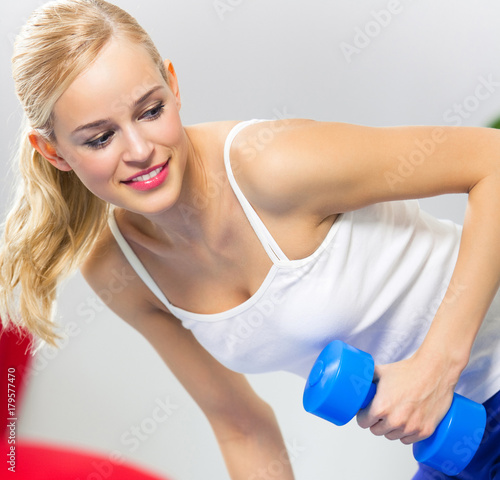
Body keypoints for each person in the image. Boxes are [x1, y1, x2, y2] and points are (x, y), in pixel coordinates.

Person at [1, 0, 499, 478]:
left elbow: (492, 162)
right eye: (100, 138)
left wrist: (436, 365)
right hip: (460, 445)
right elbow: (241, 427)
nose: (140, 150)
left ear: (173, 86)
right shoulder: (120, 269)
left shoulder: (272, 167)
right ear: (53, 151)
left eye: (150, 110)